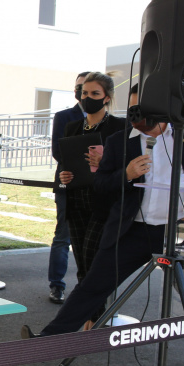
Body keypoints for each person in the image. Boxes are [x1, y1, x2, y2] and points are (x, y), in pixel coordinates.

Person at [23, 84, 184, 366]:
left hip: (182, 230)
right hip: (133, 230)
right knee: (92, 286)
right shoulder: (120, 141)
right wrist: (126, 174)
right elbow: (102, 185)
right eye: (132, 110)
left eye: (142, 109)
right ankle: (46, 343)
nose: (136, 116)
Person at [57, 72, 127, 296]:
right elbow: (66, 160)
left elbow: (127, 168)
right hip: (76, 201)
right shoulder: (73, 127)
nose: (87, 98)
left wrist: (105, 161)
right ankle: (90, 312)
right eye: (84, 93)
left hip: (103, 203)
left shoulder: (119, 127)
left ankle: (93, 312)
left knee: (92, 261)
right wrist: (64, 176)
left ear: (107, 97)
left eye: (95, 93)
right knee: (82, 264)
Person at [47, 72, 90, 304]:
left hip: (95, 186)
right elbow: (58, 151)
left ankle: (87, 287)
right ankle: (56, 285)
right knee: (63, 236)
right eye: (79, 87)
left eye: (87, 88)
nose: (81, 92)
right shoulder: (64, 117)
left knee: (90, 239)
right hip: (68, 182)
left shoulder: (106, 120)